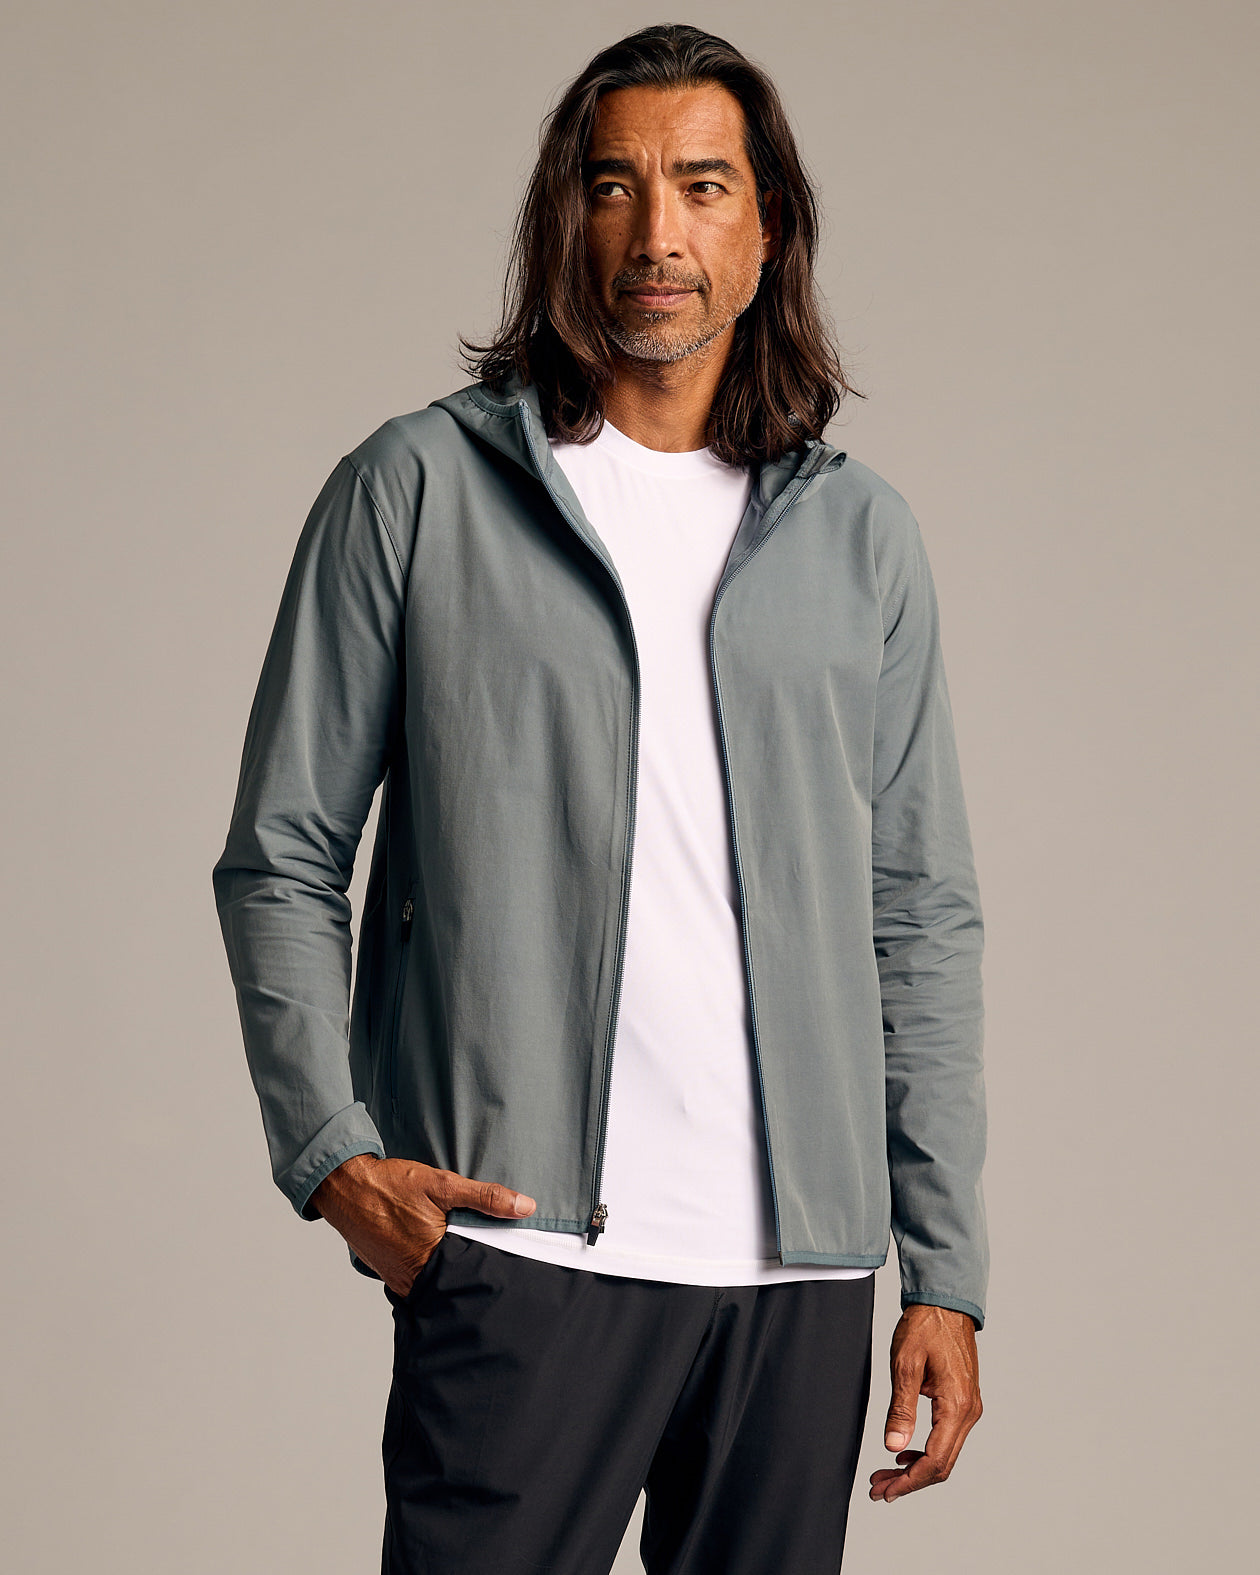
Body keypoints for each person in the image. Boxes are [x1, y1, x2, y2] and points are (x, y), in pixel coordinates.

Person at [211, 23, 988, 1575]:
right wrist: (333, 1159)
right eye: (614, 186)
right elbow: (281, 856)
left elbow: (920, 913)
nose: (656, 233)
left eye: (703, 186)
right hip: (519, 1253)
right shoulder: (419, 490)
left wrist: (945, 1269)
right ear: (562, 222)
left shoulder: (861, 538)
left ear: (768, 231)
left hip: (799, 1281)